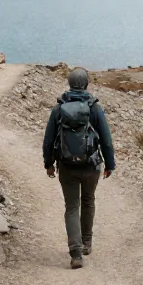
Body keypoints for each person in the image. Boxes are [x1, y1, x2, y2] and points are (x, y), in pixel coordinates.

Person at [43, 66, 115, 269]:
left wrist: (48, 164)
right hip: (91, 165)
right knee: (89, 200)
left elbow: (48, 140)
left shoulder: (59, 109)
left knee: (72, 207)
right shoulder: (94, 107)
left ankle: (75, 253)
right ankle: (87, 242)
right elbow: (106, 140)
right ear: (86, 84)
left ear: (69, 83)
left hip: (66, 166)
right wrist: (110, 164)